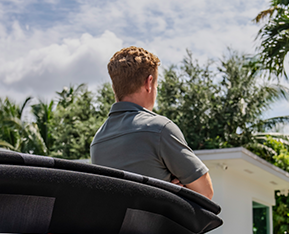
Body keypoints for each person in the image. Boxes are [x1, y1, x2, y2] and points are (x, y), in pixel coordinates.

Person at [91, 46, 214, 200]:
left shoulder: (98, 141)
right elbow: (205, 192)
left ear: (114, 87)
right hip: (158, 224)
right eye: (156, 85)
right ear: (149, 83)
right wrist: (171, 191)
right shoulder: (159, 129)